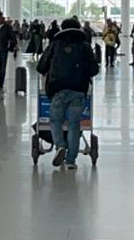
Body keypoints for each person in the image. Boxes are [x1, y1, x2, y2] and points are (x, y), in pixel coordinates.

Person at [36, 17, 99, 170]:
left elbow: (41, 66)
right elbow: (94, 70)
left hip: (58, 89)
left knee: (55, 120)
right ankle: (71, 160)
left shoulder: (54, 45)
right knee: (74, 124)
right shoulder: (84, 46)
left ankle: (60, 146)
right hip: (78, 90)